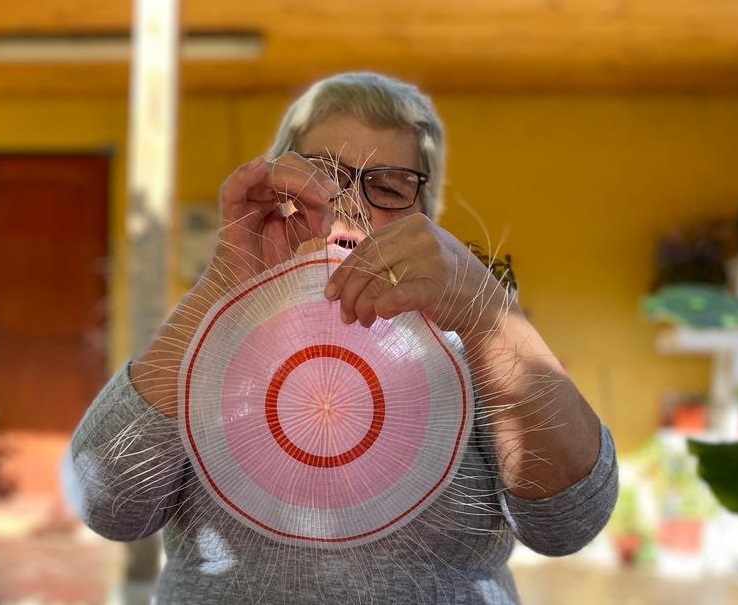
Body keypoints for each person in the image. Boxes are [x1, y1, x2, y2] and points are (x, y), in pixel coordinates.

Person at [71, 72, 618, 604]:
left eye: (388, 185)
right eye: (319, 174)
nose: (350, 204)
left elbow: (569, 523)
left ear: (424, 215)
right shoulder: (217, 336)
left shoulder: (467, 340)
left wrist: (485, 310)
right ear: (274, 190)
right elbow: (107, 503)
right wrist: (224, 283)